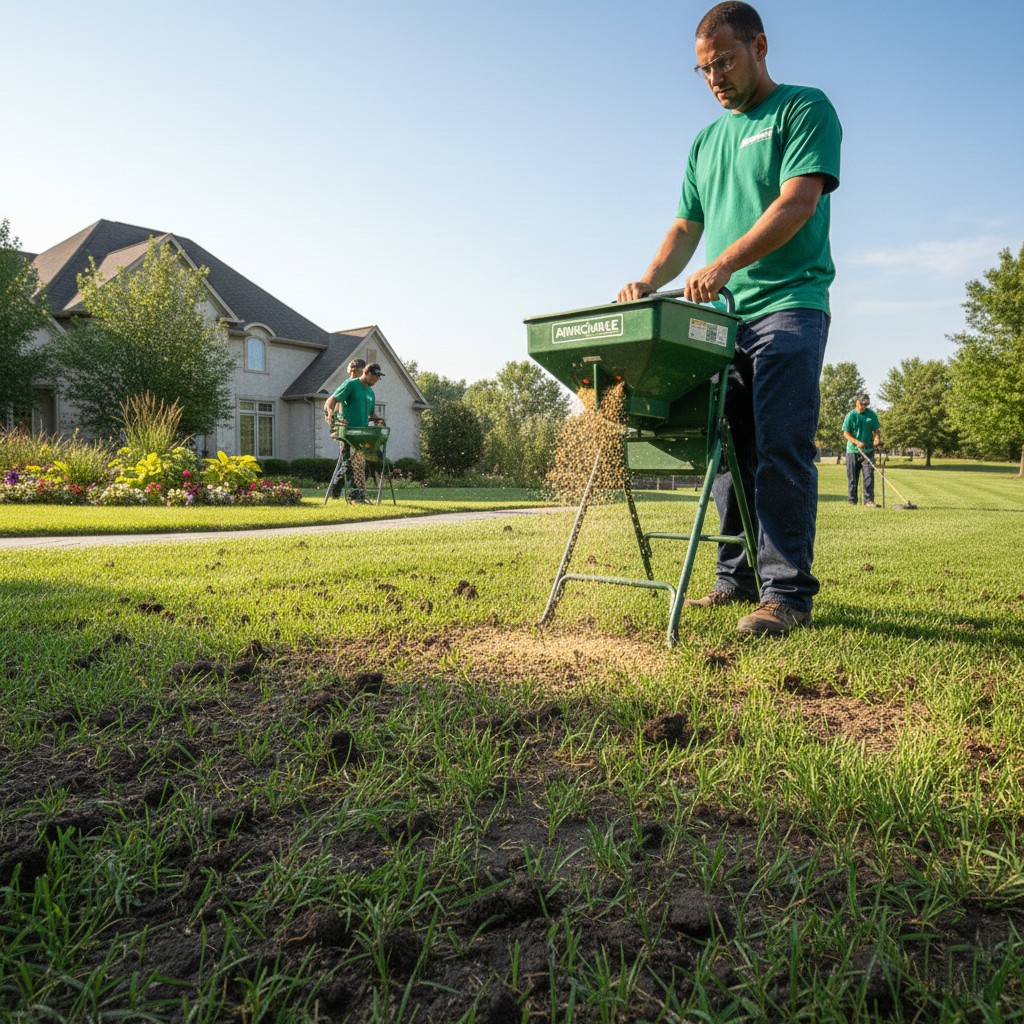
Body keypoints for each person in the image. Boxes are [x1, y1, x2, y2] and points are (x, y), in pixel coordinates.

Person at [618, 1, 841, 637]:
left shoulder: (803, 108)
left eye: (724, 62)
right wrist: (649, 280)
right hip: (723, 322)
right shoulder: (705, 141)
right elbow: (686, 225)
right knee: (726, 451)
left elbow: (797, 202)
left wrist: (721, 266)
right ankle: (734, 580)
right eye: (703, 70)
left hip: (790, 305)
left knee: (779, 446)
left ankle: (786, 595)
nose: (714, 77)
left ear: (759, 47)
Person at [324, 363, 385, 503]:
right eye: (374, 376)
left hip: (362, 435)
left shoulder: (370, 392)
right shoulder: (351, 384)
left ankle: (337, 487)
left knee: (365, 463)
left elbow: (370, 412)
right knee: (350, 463)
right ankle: (355, 496)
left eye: (378, 377)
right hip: (347, 431)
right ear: (366, 372)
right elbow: (332, 400)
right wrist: (331, 414)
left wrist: (377, 420)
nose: (376, 379)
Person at [842, 394, 881, 507]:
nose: (864, 406)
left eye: (866, 404)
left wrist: (876, 438)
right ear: (857, 402)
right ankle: (852, 501)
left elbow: (876, 430)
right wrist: (857, 442)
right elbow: (846, 433)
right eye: (862, 404)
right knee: (853, 478)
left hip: (868, 451)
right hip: (852, 451)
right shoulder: (850, 415)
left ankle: (868, 501)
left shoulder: (871, 415)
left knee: (869, 476)